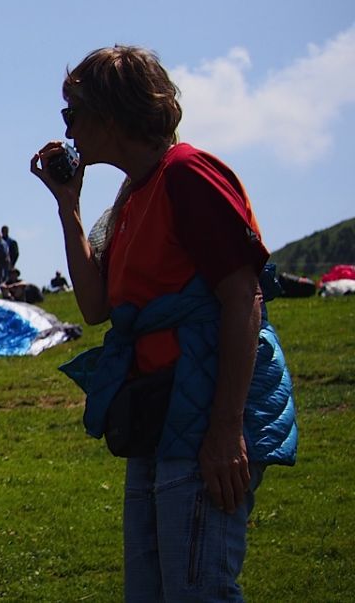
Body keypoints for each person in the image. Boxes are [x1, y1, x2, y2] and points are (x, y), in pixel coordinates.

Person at [31, 45, 298, 600]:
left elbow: (243, 296)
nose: (67, 128)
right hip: (161, 410)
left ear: (111, 113)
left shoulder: (188, 174)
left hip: (205, 411)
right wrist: (68, 206)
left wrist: (225, 431)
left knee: (197, 589)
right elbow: (95, 307)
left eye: (72, 112)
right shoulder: (132, 196)